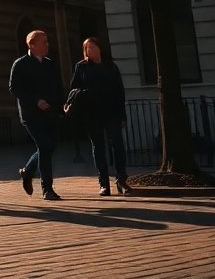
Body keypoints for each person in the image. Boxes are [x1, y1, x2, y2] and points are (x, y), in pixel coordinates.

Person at [69, 37, 130, 195]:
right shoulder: (81, 67)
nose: (91, 50)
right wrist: (83, 95)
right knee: (98, 147)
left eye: (93, 46)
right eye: (88, 48)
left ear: (100, 48)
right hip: (92, 113)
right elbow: (73, 89)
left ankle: (121, 181)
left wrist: (122, 115)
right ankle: (103, 183)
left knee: (117, 145)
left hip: (112, 112)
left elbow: (119, 92)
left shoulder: (111, 66)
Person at [10, 29, 64, 200]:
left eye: (47, 41)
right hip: (31, 115)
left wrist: (62, 106)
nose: (47, 44)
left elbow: (58, 87)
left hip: (50, 113)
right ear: (31, 45)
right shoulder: (20, 64)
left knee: (49, 146)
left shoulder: (50, 64)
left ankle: (27, 171)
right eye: (43, 42)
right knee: (45, 146)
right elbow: (14, 88)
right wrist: (35, 101)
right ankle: (47, 189)